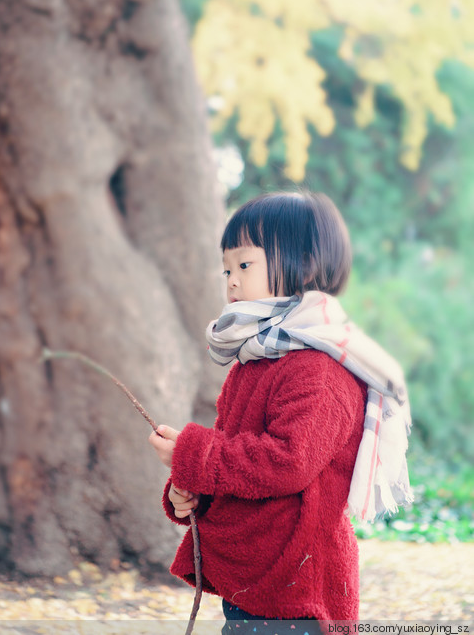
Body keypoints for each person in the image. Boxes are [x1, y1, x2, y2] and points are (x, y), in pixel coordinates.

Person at [149, 191, 413, 632]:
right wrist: (189, 492)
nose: (231, 280)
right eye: (226, 268)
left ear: (304, 265)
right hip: (259, 582)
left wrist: (195, 453)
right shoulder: (256, 361)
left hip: (297, 592)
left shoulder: (318, 366)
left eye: (245, 265)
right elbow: (238, 463)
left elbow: (287, 461)